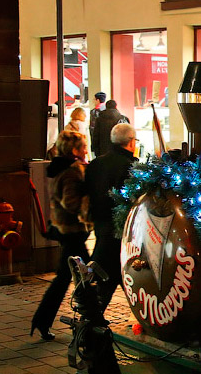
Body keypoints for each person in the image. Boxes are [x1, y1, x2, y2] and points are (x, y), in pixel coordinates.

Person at [31, 130, 91, 341]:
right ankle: (90, 319)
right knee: (83, 275)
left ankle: (43, 321)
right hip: (72, 231)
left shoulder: (60, 168)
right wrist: (88, 200)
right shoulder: (71, 172)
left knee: (71, 276)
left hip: (66, 230)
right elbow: (71, 202)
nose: (85, 149)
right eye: (83, 146)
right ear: (74, 150)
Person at [83, 123, 138, 309]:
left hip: (100, 224)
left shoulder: (96, 163)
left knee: (111, 274)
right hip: (120, 228)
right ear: (130, 142)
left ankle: (93, 317)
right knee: (115, 272)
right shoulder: (130, 166)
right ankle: (93, 317)